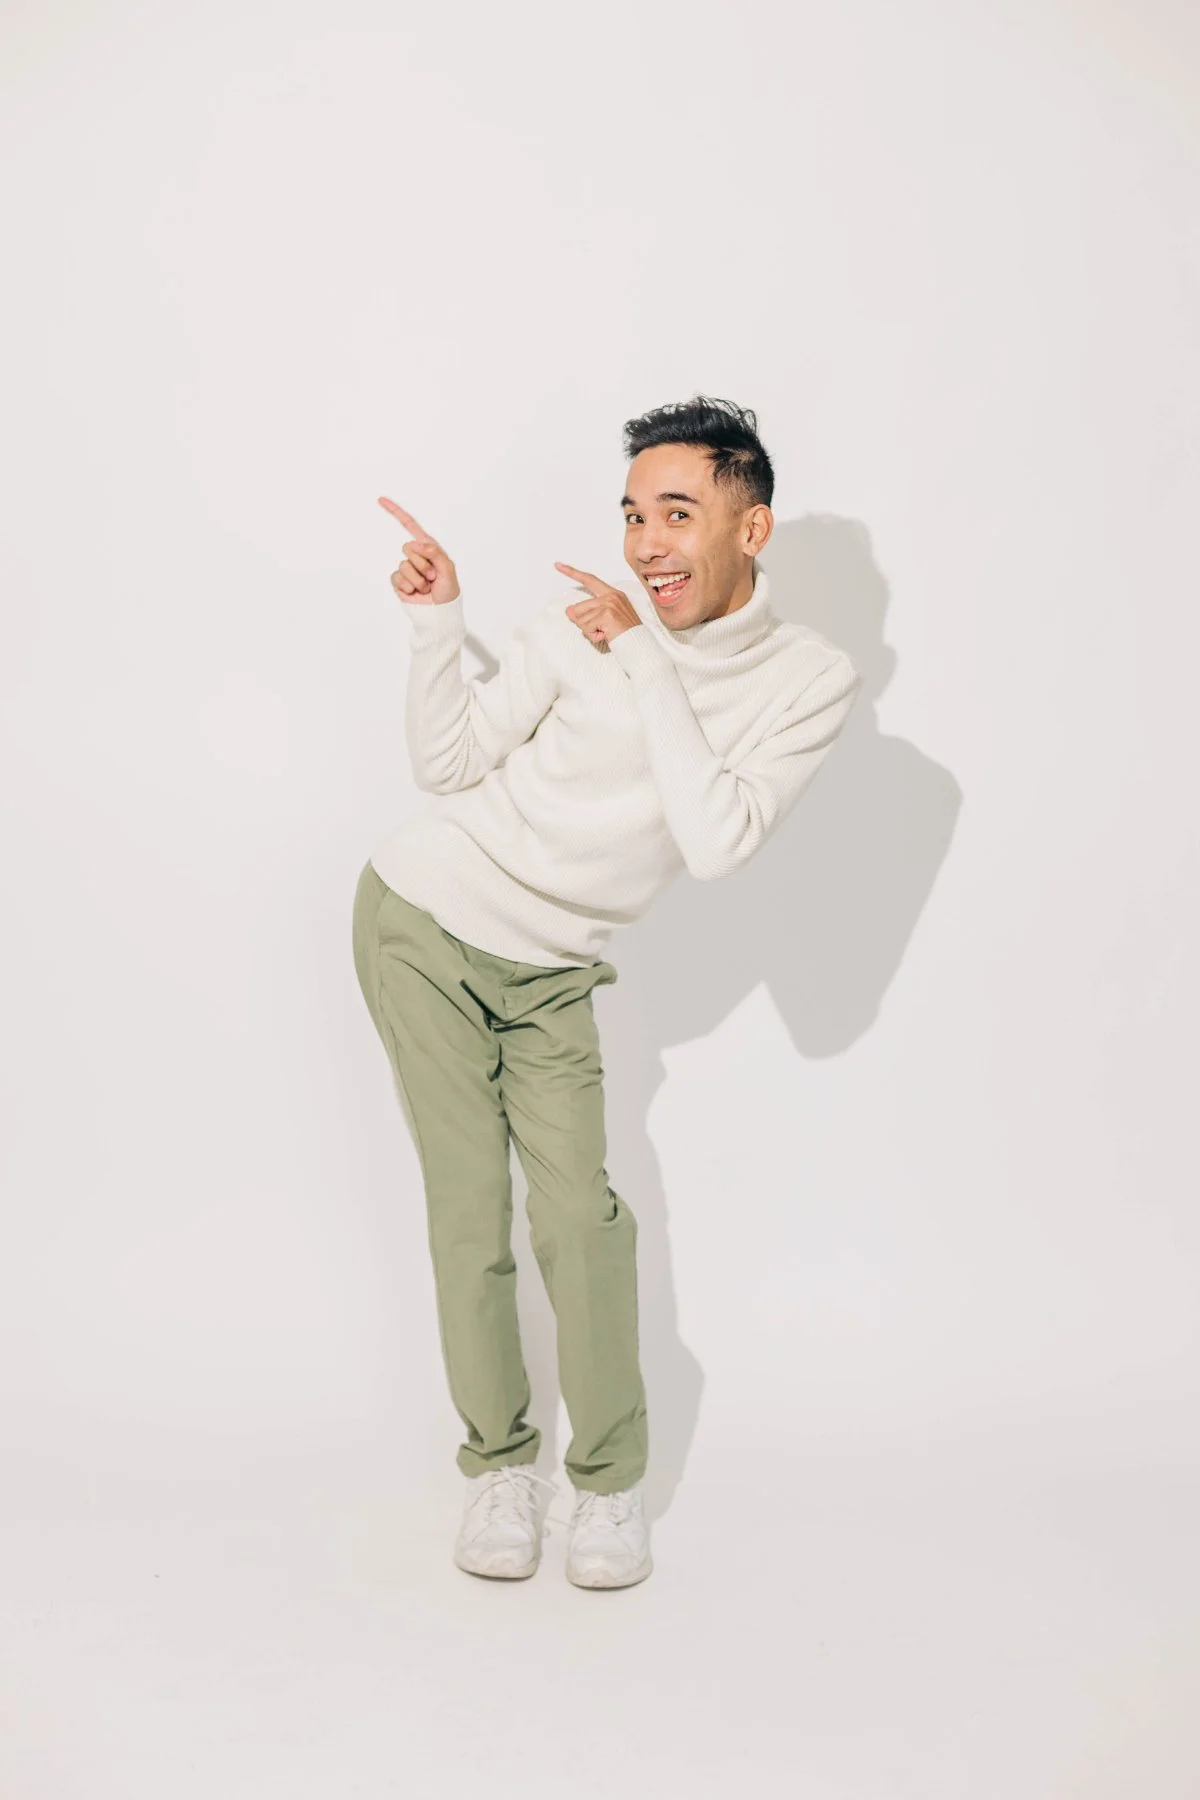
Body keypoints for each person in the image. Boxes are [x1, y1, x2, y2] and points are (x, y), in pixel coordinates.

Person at [351, 394, 861, 1589]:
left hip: (553, 972)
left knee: (582, 1218)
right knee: (470, 1213)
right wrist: (440, 627)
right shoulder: (578, 627)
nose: (644, 545)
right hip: (423, 920)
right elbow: (451, 764)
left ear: (755, 526)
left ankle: (609, 1487)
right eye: (633, 514)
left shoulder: (806, 676)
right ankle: (497, 1469)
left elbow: (719, 835)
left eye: (677, 513)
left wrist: (642, 654)